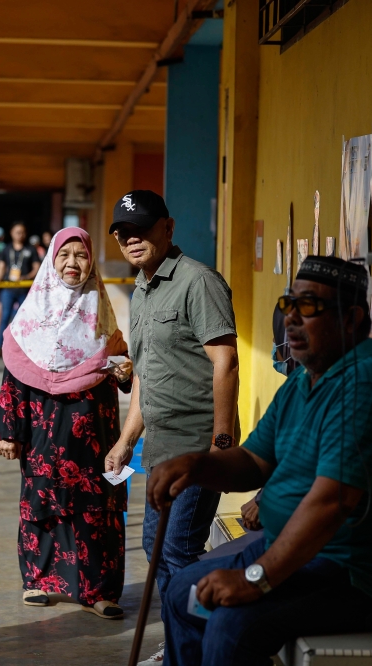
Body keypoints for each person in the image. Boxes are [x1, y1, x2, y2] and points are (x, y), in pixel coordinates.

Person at [146, 256, 372, 666]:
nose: (291, 319)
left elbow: (329, 503)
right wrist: (195, 465)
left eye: (309, 307)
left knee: (231, 628)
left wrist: (256, 579)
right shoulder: (304, 379)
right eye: (289, 305)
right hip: (290, 550)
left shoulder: (364, 384)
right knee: (182, 592)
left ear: (352, 319)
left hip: (350, 572)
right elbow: (253, 460)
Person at [102, 190, 239, 664]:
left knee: (178, 549)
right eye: (123, 232)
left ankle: (194, 649)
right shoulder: (141, 289)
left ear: (168, 227)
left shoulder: (197, 281)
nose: (132, 238)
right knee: (156, 546)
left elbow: (226, 362)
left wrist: (222, 445)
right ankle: (179, 643)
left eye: (141, 228)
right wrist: (125, 442)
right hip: (159, 446)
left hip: (198, 445)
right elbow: (146, 373)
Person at [0, 227, 134, 619]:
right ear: (51, 261)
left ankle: (99, 592)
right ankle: (38, 581)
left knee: (95, 510)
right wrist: (9, 431)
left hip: (94, 434)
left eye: (81, 256)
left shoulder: (102, 316)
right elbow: (15, 369)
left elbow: (122, 371)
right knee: (42, 504)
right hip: (43, 434)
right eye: (65, 255)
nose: (73, 264)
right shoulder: (32, 313)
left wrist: (124, 372)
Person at [0, 222, 41, 357]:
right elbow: (0, 269)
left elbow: (37, 268)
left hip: (25, 290)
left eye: (22, 232)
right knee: (4, 316)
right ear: (12, 233)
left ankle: (22, 348)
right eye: (17, 232)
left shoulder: (30, 249)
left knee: (23, 319)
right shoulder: (6, 249)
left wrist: (26, 277)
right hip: (8, 289)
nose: (20, 235)